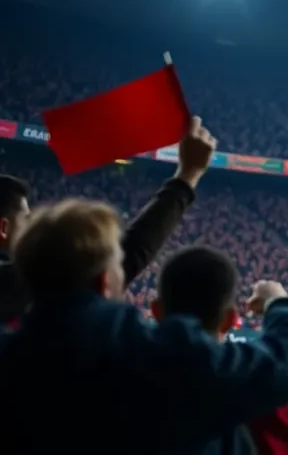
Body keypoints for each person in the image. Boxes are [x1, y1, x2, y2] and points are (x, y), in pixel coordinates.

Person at [0, 197, 288, 454]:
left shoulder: (12, 358)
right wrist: (278, 302)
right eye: (118, 267)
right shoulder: (158, 357)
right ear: (103, 282)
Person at [0, 116, 217, 326]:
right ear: (4, 228)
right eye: (26, 218)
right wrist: (187, 177)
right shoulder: (17, 282)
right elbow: (130, 252)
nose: (31, 227)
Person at [151, 246, 288, 454]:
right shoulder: (261, 395)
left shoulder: (120, 383)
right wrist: (277, 300)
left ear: (156, 311)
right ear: (230, 319)